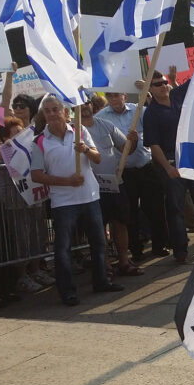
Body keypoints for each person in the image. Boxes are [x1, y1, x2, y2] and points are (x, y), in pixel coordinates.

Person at [29, 95, 124, 306]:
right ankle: (68, 291)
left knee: (98, 241)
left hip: (90, 196)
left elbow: (98, 158)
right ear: (44, 115)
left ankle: (101, 281)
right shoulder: (40, 142)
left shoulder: (80, 131)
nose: (53, 114)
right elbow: (36, 175)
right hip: (63, 202)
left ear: (65, 112)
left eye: (56, 109)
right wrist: (66, 181)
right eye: (48, 111)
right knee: (63, 248)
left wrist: (86, 150)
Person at [142, 67, 194, 264]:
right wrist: (167, 167)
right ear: (150, 89)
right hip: (172, 162)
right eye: (158, 84)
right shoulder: (151, 113)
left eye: (164, 82)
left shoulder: (177, 95)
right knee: (176, 208)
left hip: (192, 159)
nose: (163, 86)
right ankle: (180, 251)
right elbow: (154, 146)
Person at [96, 90, 169, 261]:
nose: (113, 99)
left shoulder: (139, 111)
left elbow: (154, 119)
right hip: (123, 171)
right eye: (110, 96)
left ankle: (160, 244)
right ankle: (135, 250)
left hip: (144, 166)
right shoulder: (101, 117)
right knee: (129, 213)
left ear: (125, 97)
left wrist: (148, 93)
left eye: (116, 95)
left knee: (155, 208)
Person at [80, 98, 144, 278]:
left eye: (86, 103)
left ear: (91, 105)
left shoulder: (106, 125)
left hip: (114, 183)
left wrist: (134, 141)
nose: (84, 107)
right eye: (80, 104)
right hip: (90, 188)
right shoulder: (72, 131)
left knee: (120, 222)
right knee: (98, 227)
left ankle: (124, 261)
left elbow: (126, 149)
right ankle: (105, 265)